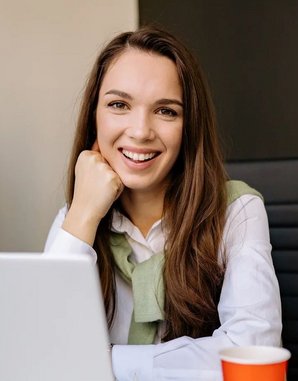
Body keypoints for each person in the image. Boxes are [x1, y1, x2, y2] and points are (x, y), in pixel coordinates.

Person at [44, 26, 282, 380]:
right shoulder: (78, 217)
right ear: (95, 115)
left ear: (189, 126)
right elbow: (43, 350)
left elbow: (253, 350)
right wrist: (82, 214)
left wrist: (106, 362)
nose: (140, 131)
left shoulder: (237, 211)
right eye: (119, 105)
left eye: (166, 111)